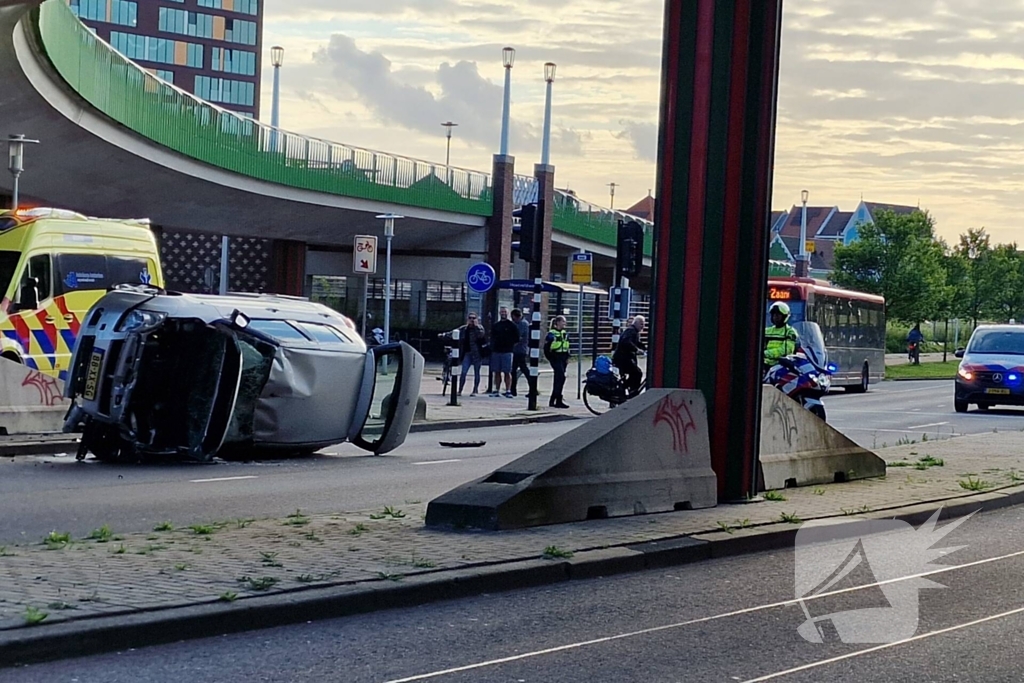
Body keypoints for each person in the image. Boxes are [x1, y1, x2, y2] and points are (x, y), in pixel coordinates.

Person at [489, 307, 520, 398]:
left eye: (505, 312)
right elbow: (492, 337)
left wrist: (510, 345)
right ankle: (496, 390)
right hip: (496, 351)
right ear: (499, 313)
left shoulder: (512, 326)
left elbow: (517, 338)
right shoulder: (496, 325)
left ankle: (508, 390)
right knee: (497, 371)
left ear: (508, 313)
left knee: (507, 371)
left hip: (507, 351)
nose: (503, 313)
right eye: (502, 312)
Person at [614, 315, 647, 396]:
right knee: (637, 373)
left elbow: (638, 343)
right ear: (635, 323)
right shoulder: (631, 331)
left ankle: (630, 389)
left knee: (635, 373)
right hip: (623, 359)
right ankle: (631, 390)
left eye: (644, 324)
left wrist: (645, 348)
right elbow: (626, 342)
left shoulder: (634, 332)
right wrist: (637, 350)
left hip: (625, 359)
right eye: (641, 324)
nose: (643, 326)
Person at [764, 302, 800, 375]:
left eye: (778, 315)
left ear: (785, 316)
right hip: (764, 365)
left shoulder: (790, 332)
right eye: (774, 315)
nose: (775, 317)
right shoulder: (767, 331)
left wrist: (765, 353)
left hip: (781, 366)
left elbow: (786, 350)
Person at [544, 315, 571, 408]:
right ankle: (558, 400)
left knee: (559, 379)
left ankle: (553, 400)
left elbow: (567, 345)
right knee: (561, 377)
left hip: (563, 357)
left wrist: (567, 357)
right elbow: (546, 348)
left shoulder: (564, 333)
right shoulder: (552, 334)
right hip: (556, 357)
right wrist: (551, 358)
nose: (565, 323)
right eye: (563, 321)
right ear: (558, 323)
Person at [458, 312, 487, 396]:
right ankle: (460, 390)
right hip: (467, 353)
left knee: (476, 372)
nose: (472, 320)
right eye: (470, 318)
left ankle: (475, 389)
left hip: (477, 354)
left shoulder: (479, 328)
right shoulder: (464, 329)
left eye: (474, 318)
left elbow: (481, 335)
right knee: (463, 372)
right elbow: (455, 332)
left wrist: (476, 325)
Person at [510, 308, 530, 397]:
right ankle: (513, 390)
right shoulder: (520, 323)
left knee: (523, 369)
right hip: (517, 350)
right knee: (514, 370)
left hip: (520, 350)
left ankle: (532, 388)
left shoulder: (523, 324)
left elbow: (518, 336)